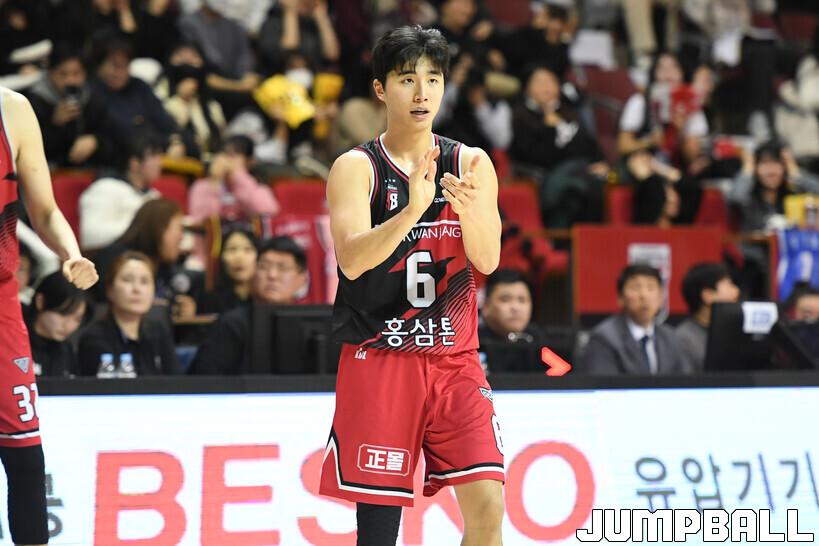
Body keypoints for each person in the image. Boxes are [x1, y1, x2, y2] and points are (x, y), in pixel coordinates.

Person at [318, 26, 505, 546]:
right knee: (379, 534)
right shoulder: (356, 167)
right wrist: (412, 211)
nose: (422, 93)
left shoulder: (470, 163)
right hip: (381, 358)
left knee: (489, 510)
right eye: (407, 80)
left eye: (433, 79)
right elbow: (352, 261)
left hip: (454, 358)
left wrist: (469, 213)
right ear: (381, 89)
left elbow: (488, 260)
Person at [0, 85, 97, 546]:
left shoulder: (12, 109)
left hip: (1, 304)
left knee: (24, 455)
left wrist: (71, 253)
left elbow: (44, 209)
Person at [191, 236, 307, 374]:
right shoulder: (230, 325)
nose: (272, 275)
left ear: (302, 279)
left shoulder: (308, 327)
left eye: (283, 268)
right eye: (263, 267)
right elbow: (205, 378)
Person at [576, 264, 691, 376]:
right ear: (620, 298)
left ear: (661, 298)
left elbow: (686, 381)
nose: (644, 295)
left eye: (651, 288)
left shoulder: (671, 338)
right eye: (636, 288)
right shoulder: (604, 338)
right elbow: (604, 384)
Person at [77, 251, 178, 376]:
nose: (137, 289)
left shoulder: (158, 331)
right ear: (110, 289)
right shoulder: (94, 338)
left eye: (144, 281)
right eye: (128, 280)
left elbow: (175, 380)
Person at [27, 43, 119, 169]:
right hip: (51, 171)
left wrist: (96, 141)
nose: (70, 81)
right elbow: (30, 151)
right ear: (50, 73)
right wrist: (55, 124)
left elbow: (112, 138)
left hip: (91, 170)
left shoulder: (93, 96)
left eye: (76, 74)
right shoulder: (35, 101)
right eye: (63, 74)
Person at [78, 131, 163, 250]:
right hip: (112, 257)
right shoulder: (105, 188)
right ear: (134, 163)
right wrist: (141, 226)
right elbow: (90, 236)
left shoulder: (154, 195)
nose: (160, 164)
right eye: (153, 157)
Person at [677, 262, 740, 372]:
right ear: (708, 296)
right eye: (729, 285)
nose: (736, 291)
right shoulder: (684, 339)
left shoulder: (734, 332)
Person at [478, 269, 544, 372]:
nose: (515, 307)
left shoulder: (542, 343)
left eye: (522, 300)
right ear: (486, 306)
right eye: (505, 299)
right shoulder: (472, 344)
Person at [27, 271, 88, 377]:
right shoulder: (16, 342)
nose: (68, 326)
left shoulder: (66, 349)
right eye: (63, 314)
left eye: (77, 319)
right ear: (40, 301)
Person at [199, 229, 258, 314]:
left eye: (247, 249)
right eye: (231, 249)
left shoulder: (266, 299)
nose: (239, 257)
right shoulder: (209, 300)